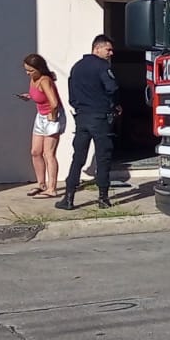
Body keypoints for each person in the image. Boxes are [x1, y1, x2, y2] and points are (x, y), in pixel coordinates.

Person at [57, 34, 119, 210]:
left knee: (78, 158)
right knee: (103, 158)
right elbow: (112, 88)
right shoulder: (102, 66)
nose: (111, 53)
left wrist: (80, 107)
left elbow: (71, 95)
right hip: (100, 118)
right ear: (97, 48)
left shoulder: (77, 67)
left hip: (82, 118)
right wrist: (114, 105)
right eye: (108, 49)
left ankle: (68, 198)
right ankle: (103, 199)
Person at [18, 53, 65, 198]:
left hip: (52, 117)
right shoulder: (34, 79)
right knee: (35, 151)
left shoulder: (45, 80)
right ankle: (41, 184)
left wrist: (52, 114)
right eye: (26, 70)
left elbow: (54, 102)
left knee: (48, 153)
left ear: (39, 69)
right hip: (40, 116)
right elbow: (39, 95)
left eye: (31, 70)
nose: (28, 73)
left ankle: (52, 188)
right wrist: (30, 96)